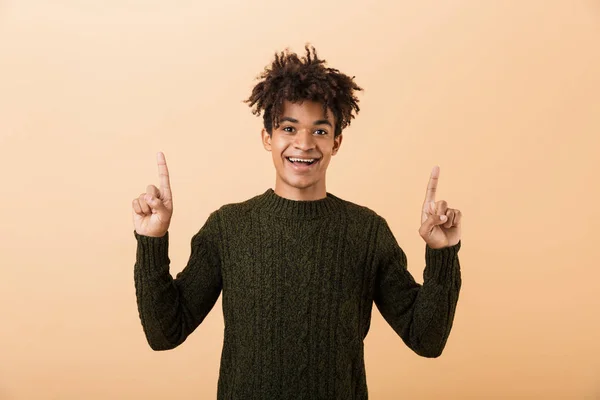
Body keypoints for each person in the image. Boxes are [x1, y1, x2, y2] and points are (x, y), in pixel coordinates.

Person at [131, 45, 462, 400]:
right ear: (267, 138)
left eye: (320, 131)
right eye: (289, 128)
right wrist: (152, 239)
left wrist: (442, 253)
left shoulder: (366, 232)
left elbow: (426, 339)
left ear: (336, 142)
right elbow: (165, 333)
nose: (304, 143)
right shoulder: (228, 228)